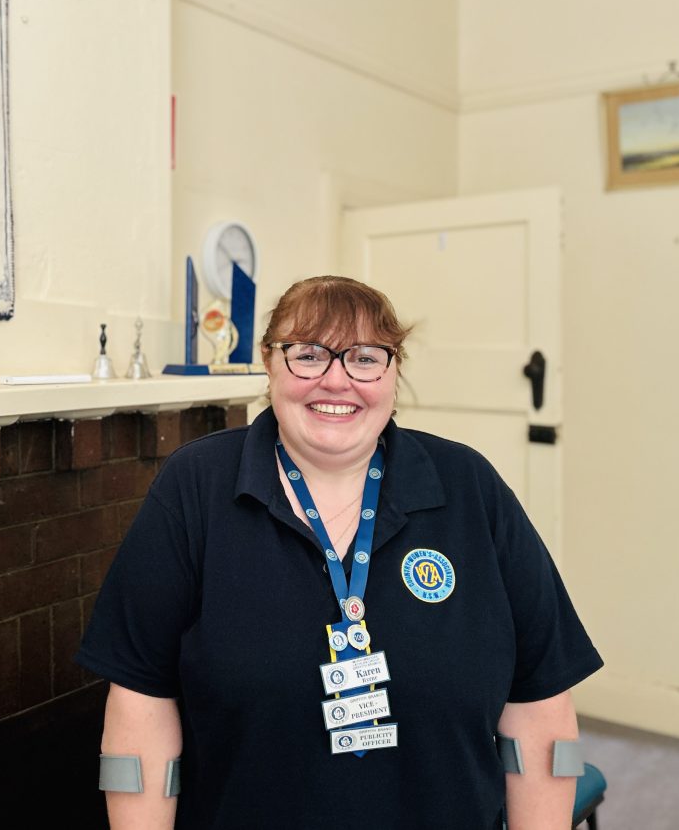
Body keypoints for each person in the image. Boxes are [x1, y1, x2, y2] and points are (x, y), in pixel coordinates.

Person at [76, 275, 602, 829]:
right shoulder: (195, 488)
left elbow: (541, 705)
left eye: (365, 358)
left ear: (393, 371)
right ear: (269, 363)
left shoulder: (469, 486)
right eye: (308, 355)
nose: (337, 381)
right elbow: (140, 702)